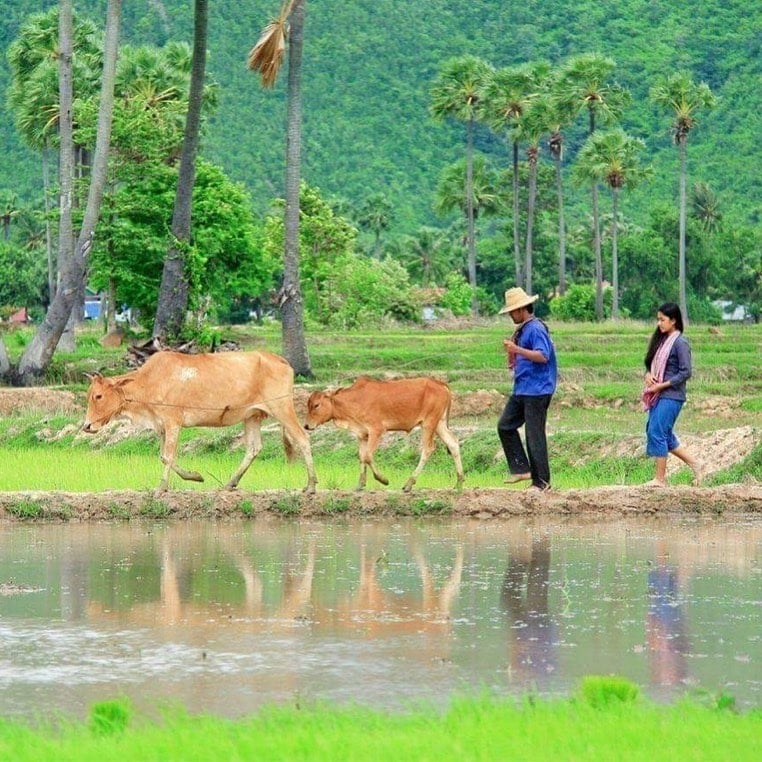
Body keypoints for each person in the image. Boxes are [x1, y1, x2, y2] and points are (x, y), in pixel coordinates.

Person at [497, 287, 558, 491]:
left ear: (521, 309)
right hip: (523, 388)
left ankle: (542, 483)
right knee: (505, 426)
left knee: (534, 435)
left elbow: (543, 356)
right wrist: (514, 355)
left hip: (537, 390)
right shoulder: (522, 329)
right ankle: (521, 468)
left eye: (512, 312)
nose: (511, 316)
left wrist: (516, 350)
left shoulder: (535, 328)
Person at [641, 302, 703, 486]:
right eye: (658, 319)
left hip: (671, 395)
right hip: (660, 394)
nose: (659, 323)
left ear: (673, 320)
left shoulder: (680, 343)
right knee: (663, 434)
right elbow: (650, 364)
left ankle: (660, 479)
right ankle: (696, 464)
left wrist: (661, 386)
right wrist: (648, 374)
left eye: (662, 319)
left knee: (657, 432)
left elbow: (685, 372)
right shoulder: (661, 342)